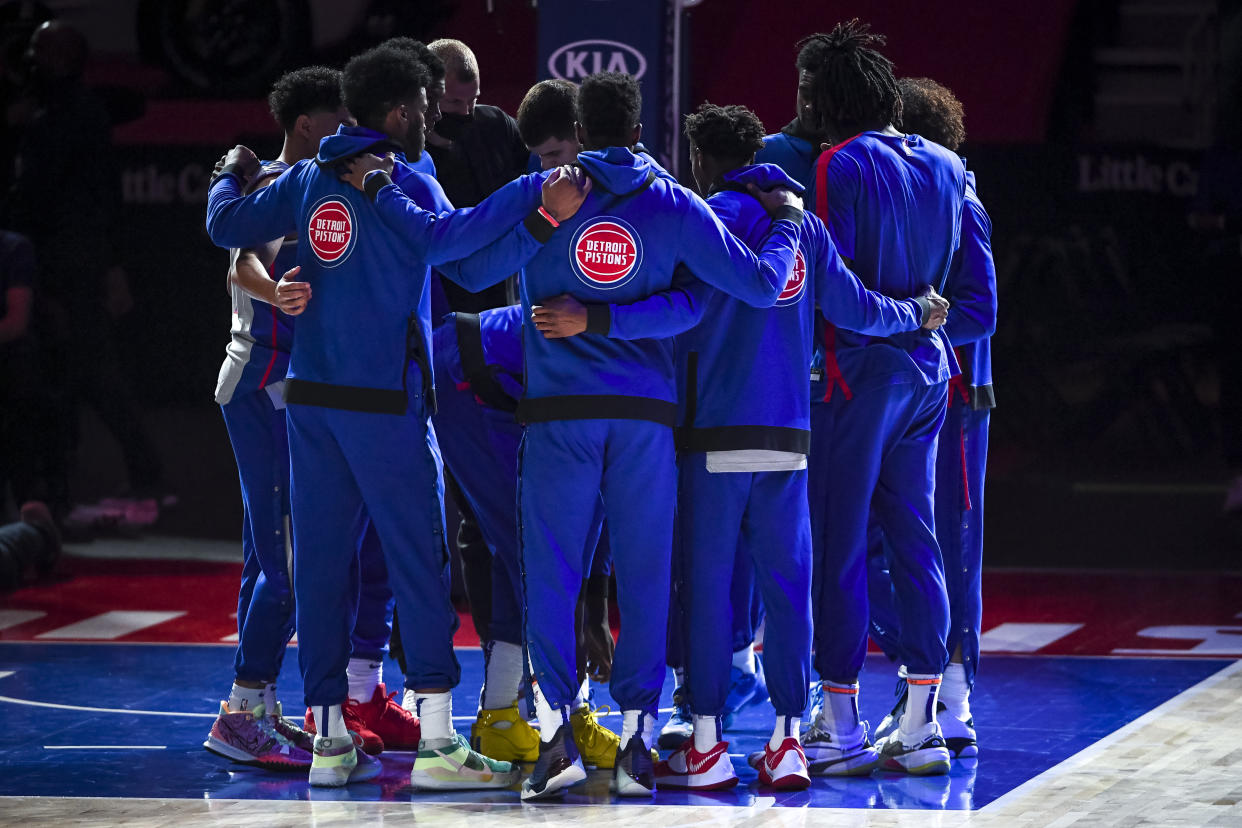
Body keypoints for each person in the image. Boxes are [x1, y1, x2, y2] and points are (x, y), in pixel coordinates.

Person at [355, 70, 805, 799]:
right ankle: (634, 743)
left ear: (580, 132)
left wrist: (545, 237)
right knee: (646, 578)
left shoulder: (545, 194)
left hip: (558, 418)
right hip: (644, 425)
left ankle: (557, 731)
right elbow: (753, 285)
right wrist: (785, 222)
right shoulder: (673, 203)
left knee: (553, 576)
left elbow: (458, 261)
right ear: (636, 132)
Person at [205, 43, 589, 788]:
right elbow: (464, 255)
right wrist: (539, 204)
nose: (436, 116)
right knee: (419, 564)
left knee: (320, 572)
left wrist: (227, 171)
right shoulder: (408, 179)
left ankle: (328, 743)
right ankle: (441, 745)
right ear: (401, 110)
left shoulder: (309, 177)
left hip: (311, 405)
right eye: (427, 103)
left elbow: (226, 229)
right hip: (388, 407)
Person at [536, 103, 946, 790]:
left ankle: (704, 745)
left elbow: (668, 320)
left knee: (707, 594)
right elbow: (856, 311)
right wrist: (920, 314)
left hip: (711, 436)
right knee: (788, 593)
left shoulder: (694, 219)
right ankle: (789, 743)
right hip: (788, 435)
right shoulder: (804, 227)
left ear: (699, 160)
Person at [800, 20, 965, 777]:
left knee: (839, 547)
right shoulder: (945, 163)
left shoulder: (837, 164)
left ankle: (840, 727)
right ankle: (926, 725)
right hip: (930, 373)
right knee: (918, 540)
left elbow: (836, 295)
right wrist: (918, 314)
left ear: (830, 100)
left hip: (860, 375)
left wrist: (895, 315)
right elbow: (946, 274)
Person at [867, 77, 997, 762]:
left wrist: (914, 326)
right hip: (910, 393)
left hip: (952, 400)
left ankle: (953, 693)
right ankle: (921, 675)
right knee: (884, 544)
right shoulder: (913, 201)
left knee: (948, 547)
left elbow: (982, 311)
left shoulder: (961, 200)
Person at [8, 21, 164, 523]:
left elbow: (83, 198)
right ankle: (61, 486)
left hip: (71, 262)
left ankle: (147, 477)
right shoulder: (50, 113)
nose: (33, 60)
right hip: (56, 258)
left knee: (94, 372)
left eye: (42, 52)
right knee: (64, 372)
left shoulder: (71, 117)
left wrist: (107, 267)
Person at [426, 38, 530, 312]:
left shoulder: (495, 125)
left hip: (500, 297)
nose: (466, 112)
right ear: (424, 94)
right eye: (454, 102)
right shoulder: (406, 158)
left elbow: (546, 158)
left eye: (473, 100)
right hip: (440, 302)